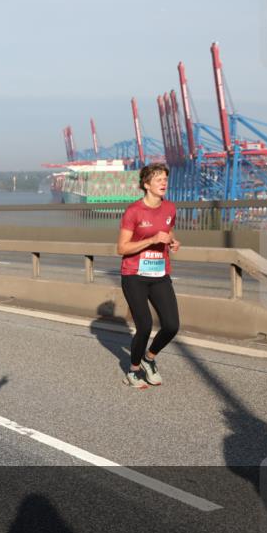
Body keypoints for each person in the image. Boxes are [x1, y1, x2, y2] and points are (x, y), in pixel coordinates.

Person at [116, 163, 180, 388]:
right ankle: (133, 371)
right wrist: (152, 240)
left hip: (160, 273)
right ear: (146, 184)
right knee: (144, 326)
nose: (164, 183)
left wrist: (172, 241)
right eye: (158, 179)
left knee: (171, 325)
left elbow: (167, 231)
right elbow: (122, 248)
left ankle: (149, 359)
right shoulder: (133, 211)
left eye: (165, 179)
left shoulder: (170, 208)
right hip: (134, 275)